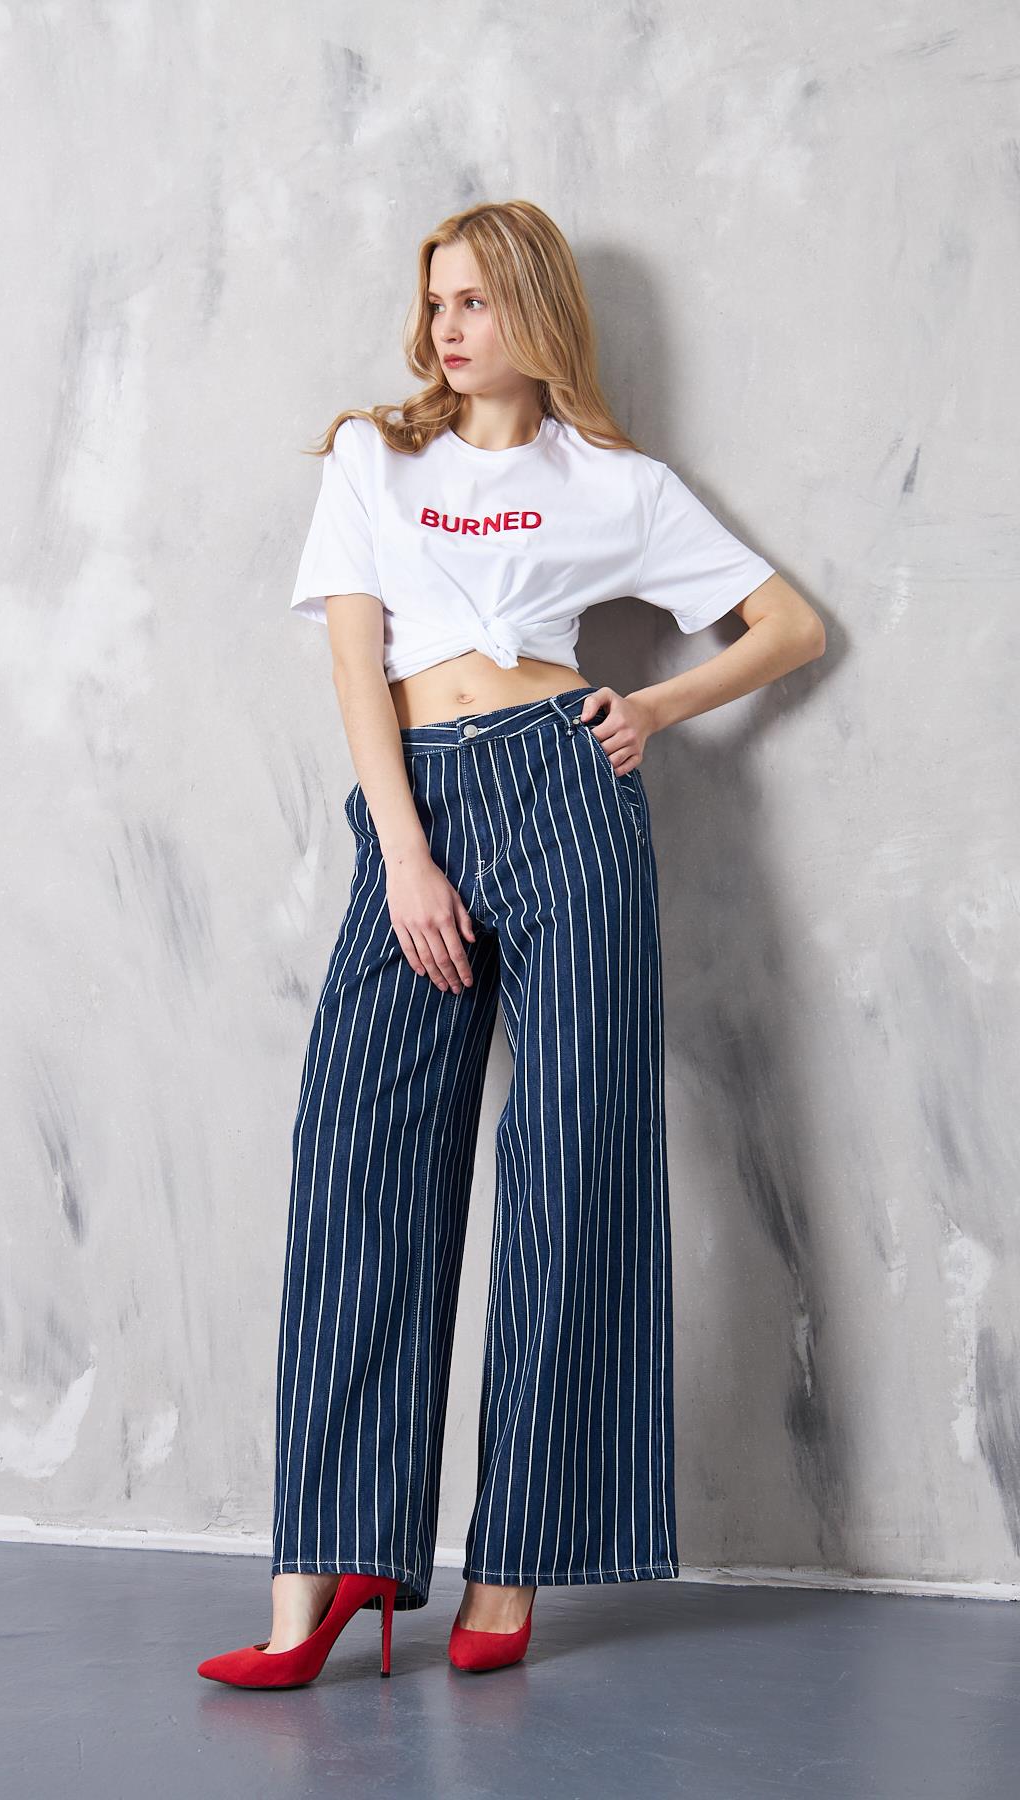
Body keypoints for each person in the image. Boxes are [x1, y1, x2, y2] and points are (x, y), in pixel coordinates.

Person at [197, 198, 825, 1689]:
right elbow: (357, 661)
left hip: (567, 793)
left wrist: (653, 707)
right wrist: (406, 855)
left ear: (535, 309)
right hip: (415, 809)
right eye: (436, 302)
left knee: (572, 1169)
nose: (447, 328)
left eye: (475, 300)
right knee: (358, 1164)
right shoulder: (375, 457)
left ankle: (516, 1562)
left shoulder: (616, 481)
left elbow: (789, 627)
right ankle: (323, 1569)